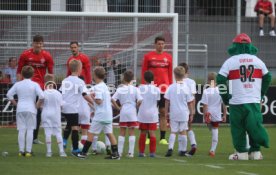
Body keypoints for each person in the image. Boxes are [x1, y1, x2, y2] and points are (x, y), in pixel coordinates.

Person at [217, 33, 272, 160]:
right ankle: (255, 152)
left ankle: (241, 153)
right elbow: (268, 77)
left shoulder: (230, 61)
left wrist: (226, 97)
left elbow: (220, 80)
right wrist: (261, 93)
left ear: (235, 46)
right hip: (253, 100)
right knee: (254, 124)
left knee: (238, 128)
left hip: (237, 101)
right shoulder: (258, 60)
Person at [17, 35, 54, 144]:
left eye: (40, 43)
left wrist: (50, 87)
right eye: (36, 43)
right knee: (24, 112)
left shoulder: (47, 56)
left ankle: (34, 138)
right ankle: (23, 135)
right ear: (33, 43)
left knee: (37, 113)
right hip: (27, 88)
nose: (38, 45)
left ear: (42, 44)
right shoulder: (25, 55)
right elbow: (19, 71)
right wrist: (19, 86)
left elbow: (51, 73)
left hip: (40, 88)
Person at [77, 66, 120, 160]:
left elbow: (99, 101)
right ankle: (116, 154)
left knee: (91, 133)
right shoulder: (104, 86)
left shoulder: (97, 87)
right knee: (109, 133)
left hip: (101, 114)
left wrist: (92, 97)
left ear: (95, 75)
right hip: (108, 114)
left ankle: (83, 153)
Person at [6, 66, 44, 157]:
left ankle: (21, 151)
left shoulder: (17, 84)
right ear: (33, 74)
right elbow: (42, 96)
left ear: (22, 74)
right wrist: (37, 106)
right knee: (30, 130)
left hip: (20, 109)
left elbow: (9, 94)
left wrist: (16, 104)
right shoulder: (35, 84)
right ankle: (28, 151)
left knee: (21, 130)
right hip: (31, 109)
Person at [141, 36, 172, 145]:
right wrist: (143, 86)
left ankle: (163, 138)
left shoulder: (168, 57)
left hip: (164, 89)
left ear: (164, 45)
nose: (161, 46)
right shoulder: (148, 56)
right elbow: (144, 72)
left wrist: (171, 87)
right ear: (155, 44)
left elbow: (169, 74)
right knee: (151, 112)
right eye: (159, 43)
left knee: (163, 112)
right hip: (151, 89)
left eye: (162, 44)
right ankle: (149, 137)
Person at [60, 59, 94, 156]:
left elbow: (60, 93)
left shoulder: (65, 80)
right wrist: (93, 103)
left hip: (64, 107)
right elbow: (85, 94)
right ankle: (75, 149)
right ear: (79, 69)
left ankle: (64, 141)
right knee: (75, 128)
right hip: (73, 108)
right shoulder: (80, 82)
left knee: (69, 124)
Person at [111, 70, 143, 157]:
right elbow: (140, 100)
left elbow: (112, 99)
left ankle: (120, 152)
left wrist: (118, 107)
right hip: (132, 111)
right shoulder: (136, 89)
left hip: (123, 110)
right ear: (132, 79)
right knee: (131, 131)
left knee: (122, 131)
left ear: (123, 78)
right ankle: (131, 153)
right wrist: (136, 105)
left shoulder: (120, 89)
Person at [164, 66, 194, 157]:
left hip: (174, 112)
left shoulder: (171, 87)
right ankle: (183, 150)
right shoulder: (186, 88)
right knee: (183, 131)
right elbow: (190, 102)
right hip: (184, 113)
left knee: (173, 131)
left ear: (174, 75)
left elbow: (167, 101)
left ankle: (170, 148)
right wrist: (192, 112)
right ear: (184, 75)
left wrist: (166, 112)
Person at [37, 74, 67, 157]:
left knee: (47, 132)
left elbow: (38, 105)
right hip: (56, 114)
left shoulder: (43, 93)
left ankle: (49, 152)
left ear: (45, 82)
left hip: (45, 113)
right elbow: (61, 105)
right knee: (58, 132)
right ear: (53, 82)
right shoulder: (58, 93)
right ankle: (61, 151)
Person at [200, 72, 227, 157]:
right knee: (215, 130)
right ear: (217, 81)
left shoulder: (206, 91)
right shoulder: (221, 91)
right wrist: (225, 115)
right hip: (217, 114)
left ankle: (212, 150)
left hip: (209, 113)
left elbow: (205, 105)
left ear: (208, 81)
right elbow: (224, 104)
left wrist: (205, 115)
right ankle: (212, 150)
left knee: (211, 128)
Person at [138, 71, 160, 157]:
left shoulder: (140, 88)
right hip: (152, 113)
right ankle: (152, 153)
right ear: (153, 79)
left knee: (143, 132)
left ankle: (141, 152)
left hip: (143, 112)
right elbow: (157, 101)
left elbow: (138, 100)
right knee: (152, 132)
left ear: (144, 78)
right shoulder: (157, 89)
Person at [179, 62, 198, 156]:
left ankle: (181, 149)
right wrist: (193, 110)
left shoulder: (178, 82)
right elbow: (193, 97)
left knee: (180, 128)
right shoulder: (192, 82)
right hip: (189, 108)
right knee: (189, 127)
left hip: (180, 108)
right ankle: (193, 144)